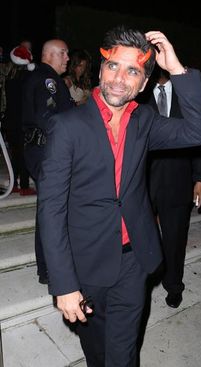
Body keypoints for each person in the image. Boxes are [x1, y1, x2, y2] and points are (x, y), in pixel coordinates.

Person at [37, 25, 201, 367]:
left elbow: (200, 130)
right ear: (100, 69)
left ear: (144, 82)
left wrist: (177, 70)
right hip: (85, 265)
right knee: (98, 355)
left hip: (134, 262)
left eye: (132, 70)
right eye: (113, 66)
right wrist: (63, 283)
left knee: (123, 355)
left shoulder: (144, 121)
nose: (120, 78)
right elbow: (51, 211)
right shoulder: (67, 127)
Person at [144, 67, 201, 308]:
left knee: (175, 238)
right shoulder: (138, 93)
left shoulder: (187, 96)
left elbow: (200, 139)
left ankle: (174, 286)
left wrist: (200, 178)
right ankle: (141, 285)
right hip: (141, 181)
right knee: (140, 237)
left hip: (178, 181)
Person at [22, 39, 75, 284]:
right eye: (63, 53)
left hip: (41, 150)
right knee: (52, 210)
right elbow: (51, 119)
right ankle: (48, 268)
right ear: (50, 54)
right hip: (46, 151)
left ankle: (46, 267)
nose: (67, 58)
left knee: (49, 208)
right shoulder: (48, 80)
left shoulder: (46, 78)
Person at [4, 45, 36, 195]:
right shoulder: (28, 79)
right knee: (23, 154)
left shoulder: (9, 79)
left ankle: (14, 183)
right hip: (23, 122)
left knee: (15, 153)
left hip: (10, 121)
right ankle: (24, 186)